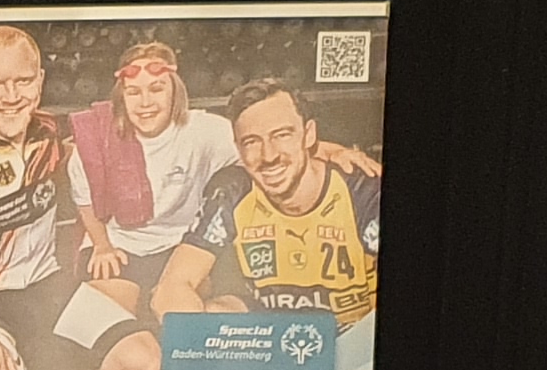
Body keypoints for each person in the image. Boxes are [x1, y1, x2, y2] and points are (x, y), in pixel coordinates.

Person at [0, 24, 161, 370]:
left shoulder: (50, 130)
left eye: (22, 81)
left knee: (143, 361)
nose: (11, 96)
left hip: (48, 290)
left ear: (40, 81)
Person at [152, 76, 382, 329]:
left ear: (309, 135)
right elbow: (172, 287)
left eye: (281, 135)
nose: (268, 156)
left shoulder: (364, 191)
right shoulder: (231, 191)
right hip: (271, 338)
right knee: (213, 312)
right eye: (251, 142)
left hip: (355, 339)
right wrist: (194, 338)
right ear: (237, 148)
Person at [64, 42, 243, 317]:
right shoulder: (96, 141)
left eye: (157, 89)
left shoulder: (204, 131)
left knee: (191, 317)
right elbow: (84, 200)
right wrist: (102, 246)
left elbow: (256, 151)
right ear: (121, 97)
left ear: (175, 91)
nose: (145, 102)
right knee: (107, 326)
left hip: (184, 247)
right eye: (134, 92)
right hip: (119, 245)